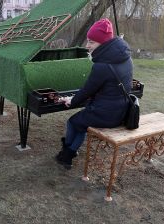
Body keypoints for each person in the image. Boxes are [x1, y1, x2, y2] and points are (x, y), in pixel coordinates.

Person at [56, 18, 133, 169]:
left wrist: (71, 101)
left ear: (103, 43)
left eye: (91, 42)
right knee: (81, 123)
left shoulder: (101, 66)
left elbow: (87, 91)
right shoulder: (126, 57)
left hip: (106, 114)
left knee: (73, 122)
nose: (87, 46)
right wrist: (77, 99)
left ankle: (67, 155)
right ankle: (69, 153)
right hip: (121, 111)